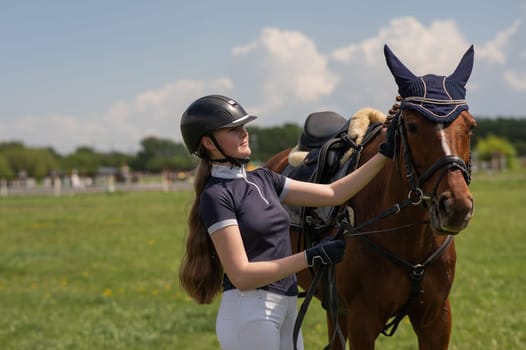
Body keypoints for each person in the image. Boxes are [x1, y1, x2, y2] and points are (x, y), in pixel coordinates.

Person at [178, 94, 396, 350]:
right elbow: (242, 275)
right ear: (208, 142)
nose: (244, 133)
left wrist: (385, 153)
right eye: (233, 129)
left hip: (286, 308)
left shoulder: (264, 178)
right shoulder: (216, 196)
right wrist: (310, 256)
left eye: (243, 126)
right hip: (250, 312)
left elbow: (334, 193)